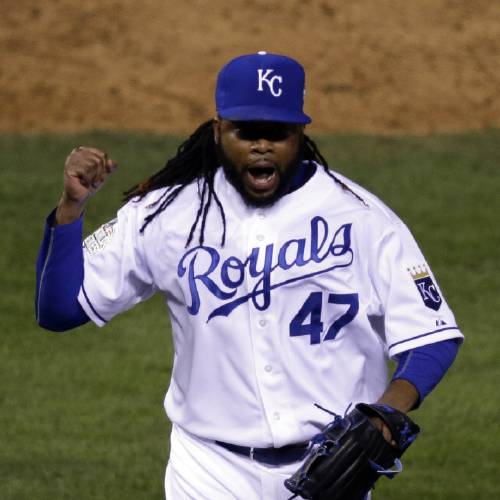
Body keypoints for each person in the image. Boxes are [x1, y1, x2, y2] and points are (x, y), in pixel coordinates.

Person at [36, 52, 462, 499]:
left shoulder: (362, 219)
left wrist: (384, 414)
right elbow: (59, 310)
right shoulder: (166, 214)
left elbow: (432, 335)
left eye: (277, 133)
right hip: (207, 470)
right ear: (218, 131)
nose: (262, 146)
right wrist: (72, 209)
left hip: (329, 474)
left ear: (300, 134)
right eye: (246, 132)